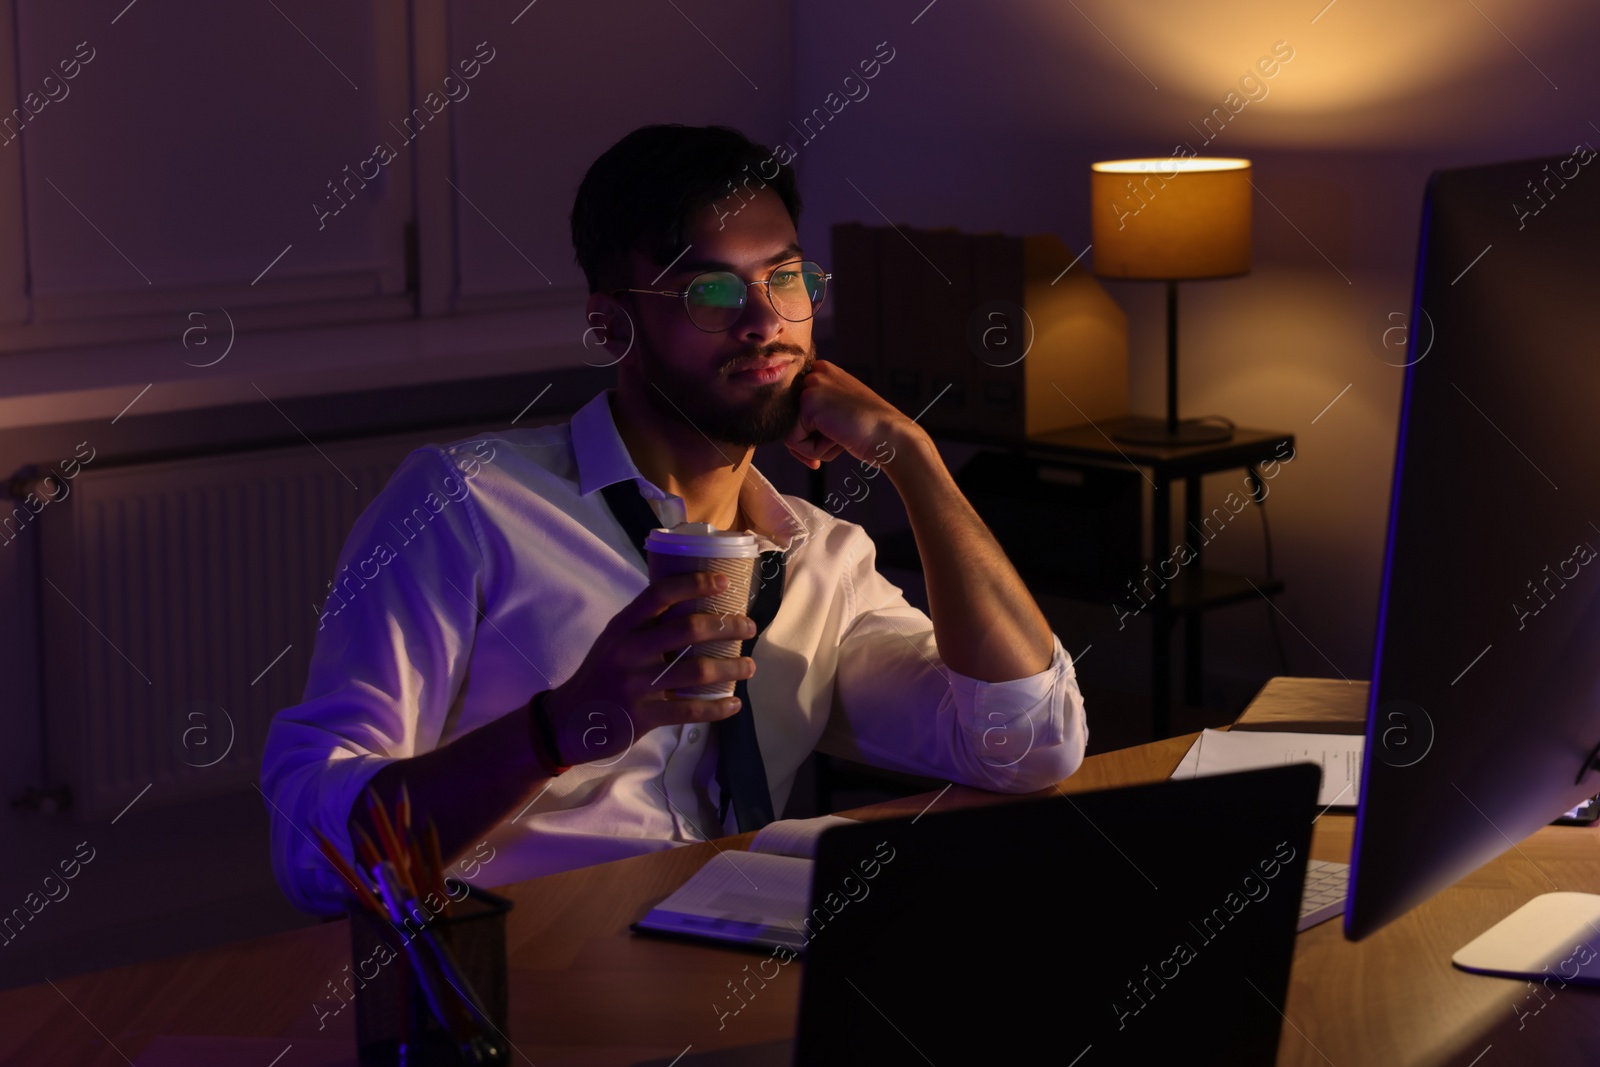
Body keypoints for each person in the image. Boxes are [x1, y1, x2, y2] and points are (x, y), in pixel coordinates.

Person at [260, 123, 1089, 916]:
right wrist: (557, 729)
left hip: (738, 975)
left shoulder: (822, 557)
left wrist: (912, 457)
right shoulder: (465, 504)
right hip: (529, 985)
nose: (764, 322)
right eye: (711, 290)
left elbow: (1026, 747)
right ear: (608, 321)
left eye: (787, 278)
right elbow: (313, 855)